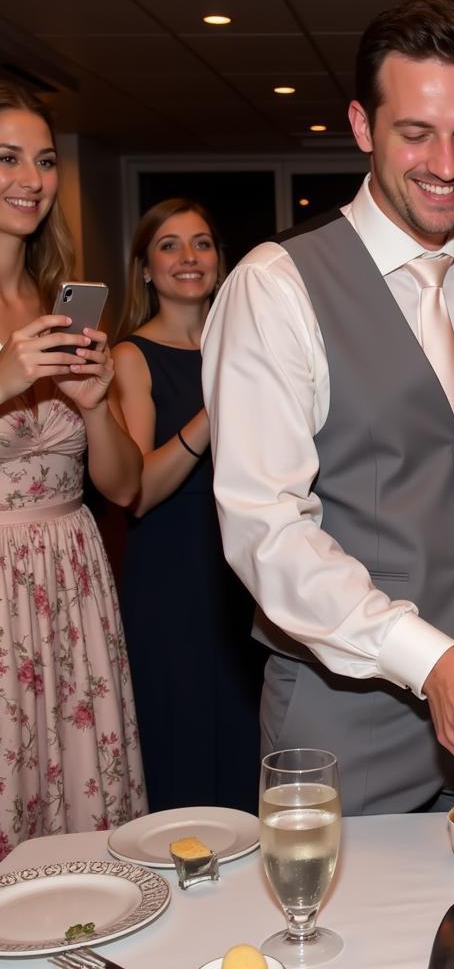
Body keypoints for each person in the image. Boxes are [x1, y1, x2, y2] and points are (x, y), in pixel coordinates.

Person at [202, 0, 454, 816]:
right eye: (415, 132)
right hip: (343, 727)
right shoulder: (276, 286)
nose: (446, 161)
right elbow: (267, 529)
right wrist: (429, 660)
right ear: (362, 126)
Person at [0, 80, 145, 856]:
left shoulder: (60, 302)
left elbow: (123, 486)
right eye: (8, 158)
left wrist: (95, 403)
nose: (33, 178)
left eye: (46, 160)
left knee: (82, 819)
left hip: (74, 579)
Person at [112, 199, 263, 813]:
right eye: (169, 245)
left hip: (244, 565)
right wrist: (211, 414)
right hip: (173, 568)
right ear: (145, 267)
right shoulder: (130, 357)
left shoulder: (248, 344)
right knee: (184, 740)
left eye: (201, 243)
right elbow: (139, 489)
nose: (189, 257)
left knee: (249, 736)